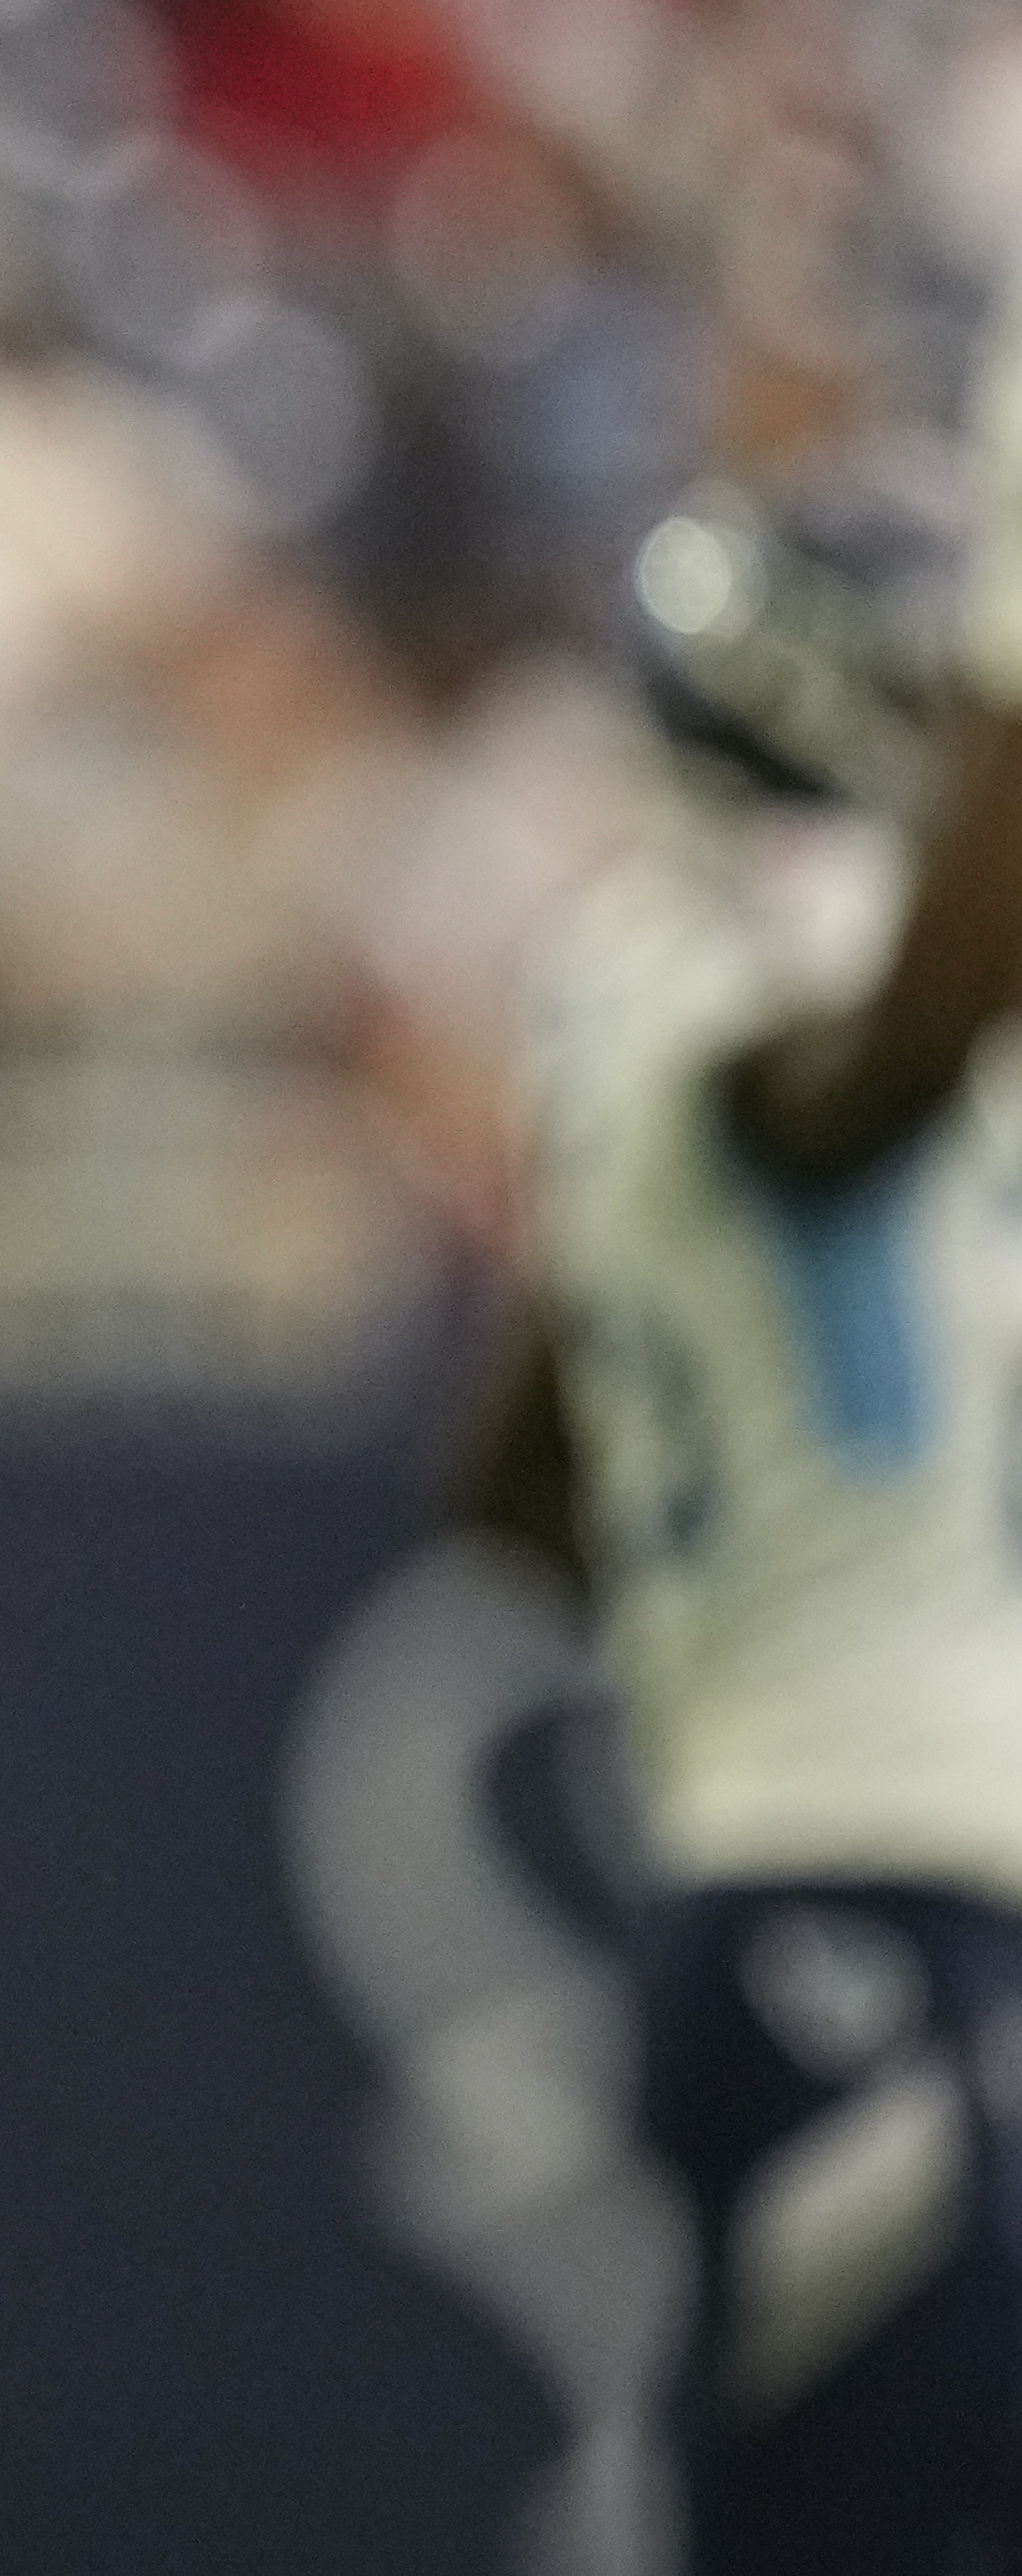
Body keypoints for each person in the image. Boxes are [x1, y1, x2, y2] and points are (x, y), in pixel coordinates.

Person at [474, 429, 1022, 2572]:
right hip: (840, 1879)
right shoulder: (712, 980)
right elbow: (879, 1059)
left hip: (870, 1847)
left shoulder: (652, 1001)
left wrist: (775, 1565)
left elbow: (515, 1471)